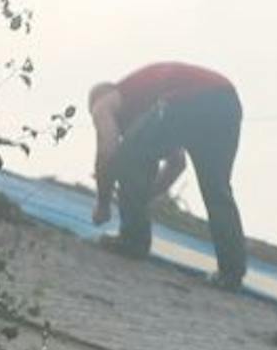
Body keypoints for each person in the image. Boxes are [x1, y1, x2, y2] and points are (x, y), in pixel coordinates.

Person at [89, 62, 247, 288]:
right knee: (217, 189)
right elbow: (176, 164)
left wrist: (103, 202)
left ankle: (133, 241)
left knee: (129, 156)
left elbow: (107, 150)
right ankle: (231, 274)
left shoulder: (105, 99)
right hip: (226, 102)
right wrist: (143, 197)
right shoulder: (153, 113)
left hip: (192, 99)